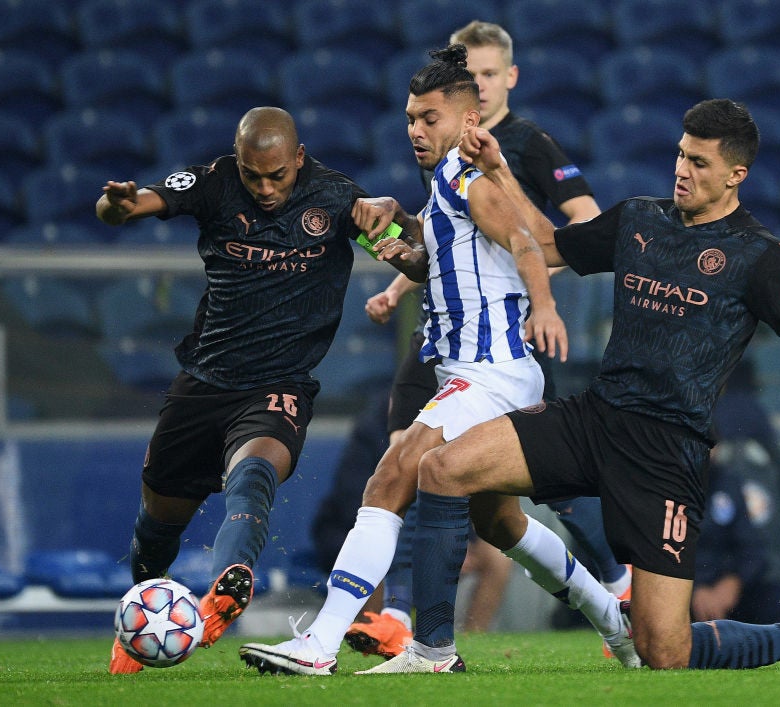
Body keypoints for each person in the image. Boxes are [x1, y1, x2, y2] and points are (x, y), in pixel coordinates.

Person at [402, 98, 780, 671]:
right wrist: (500, 173)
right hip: (594, 419)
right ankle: (433, 652)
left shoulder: (760, 257)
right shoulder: (639, 218)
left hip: (666, 454)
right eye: (679, 155)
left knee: (665, 652)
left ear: (734, 175)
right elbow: (546, 245)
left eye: (698, 162)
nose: (681, 170)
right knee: (443, 470)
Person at [238, 45, 635, 677]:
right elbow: (433, 257)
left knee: (391, 475)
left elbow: (529, 241)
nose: (415, 130)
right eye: (409, 119)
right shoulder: (445, 182)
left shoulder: (472, 181)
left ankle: (322, 642)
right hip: (474, 370)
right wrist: (387, 232)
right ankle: (618, 623)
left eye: (429, 118)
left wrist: (545, 307)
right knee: (499, 520)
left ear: (468, 121)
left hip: (492, 369)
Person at [96, 106, 425, 674]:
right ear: (238, 161)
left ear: (299, 158)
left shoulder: (337, 199)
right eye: (254, 175)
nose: (266, 188)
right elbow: (127, 206)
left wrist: (398, 227)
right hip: (204, 381)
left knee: (254, 473)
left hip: (281, 383)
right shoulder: (214, 183)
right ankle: (142, 619)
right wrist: (117, 205)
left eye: (278, 175)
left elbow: (418, 265)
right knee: (158, 524)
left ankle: (227, 586)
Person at [346, 20, 627, 660]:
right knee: (410, 461)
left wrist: (529, 289)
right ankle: (395, 618)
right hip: (442, 339)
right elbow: (450, 244)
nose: (480, 82)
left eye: (490, 73)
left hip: (503, 340)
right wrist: (401, 280)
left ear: (506, 81)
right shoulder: (443, 153)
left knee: (539, 489)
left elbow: (580, 231)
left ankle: (618, 586)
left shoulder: (522, 145)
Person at [691, 457, 780, 624]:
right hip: (679, 585)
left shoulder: (728, 481)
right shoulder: (664, 482)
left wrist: (735, 581)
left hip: (724, 586)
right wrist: (694, 589)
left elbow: (752, 546)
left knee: (775, 599)